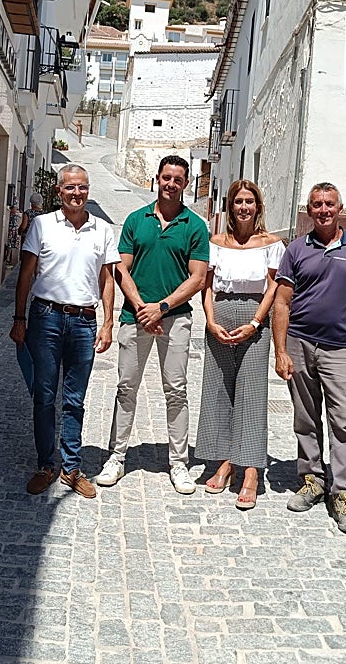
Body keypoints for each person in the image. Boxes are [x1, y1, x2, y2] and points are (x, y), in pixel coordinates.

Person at [96, 155, 209, 494]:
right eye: (166, 177)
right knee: (125, 388)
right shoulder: (136, 220)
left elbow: (198, 278)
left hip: (175, 320)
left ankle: (178, 463)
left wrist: (161, 308)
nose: (171, 184)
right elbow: (121, 269)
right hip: (135, 318)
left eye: (177, 179)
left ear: (185, 183)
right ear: (156, 179)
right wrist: (143, 309)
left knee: (176, 390)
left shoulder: (195, 225)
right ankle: (116, 457)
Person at [273, 182, 346, 535]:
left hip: (342, 348)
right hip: (301, 343)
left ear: (340, 207)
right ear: (309, 210)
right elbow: (282, 301)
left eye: (329, 204)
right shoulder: (296, 250)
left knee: (345, 421)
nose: (323, 210)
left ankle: (345, 493)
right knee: (306, 419)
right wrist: (281, 350)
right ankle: (312, 480)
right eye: (316, 205)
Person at [10, 164, 119, 498]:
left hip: (84, 322)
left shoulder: (102, 230)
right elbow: (26, 274)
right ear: (59, 191)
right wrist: (19, 318)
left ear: (88, 190)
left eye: (83, 187)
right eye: (70, 187)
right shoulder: (42, 226)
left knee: (75, 400)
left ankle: (71, 468)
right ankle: (46, 464)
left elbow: (107, 278)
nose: (77, 193)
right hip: (45, 318)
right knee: (44, 396)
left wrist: (108, 323)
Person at [196, 180, 283, 510]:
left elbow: (273, 288)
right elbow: (206, 285)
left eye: (250, 202)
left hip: (253, 320)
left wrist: (255, 323)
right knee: (219, 390)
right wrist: (210, 319)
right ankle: (225, 461)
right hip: (220, 315)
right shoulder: (216, 242)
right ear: (230, 207)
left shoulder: (273, 244)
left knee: (251, 393)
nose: (244, 207)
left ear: (258, 207)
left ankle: (250, 471)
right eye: (238, 202)